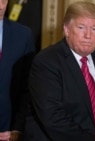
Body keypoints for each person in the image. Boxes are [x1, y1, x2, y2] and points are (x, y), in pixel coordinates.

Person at [28, 1, 95, 141]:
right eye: (81, 28)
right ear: (67, 30)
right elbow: (52, 117)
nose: (88, 35)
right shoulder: (47, 61)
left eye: (94, 29)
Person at [0, 0, 36, 140]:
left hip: (9, 131)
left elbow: (28, 87)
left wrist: (18, 128)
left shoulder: (23, 35)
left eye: (3, 0)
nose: (1, 5)